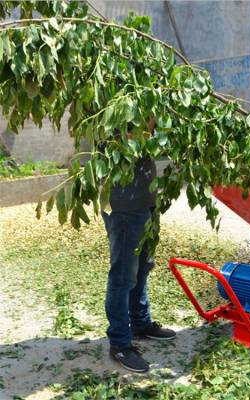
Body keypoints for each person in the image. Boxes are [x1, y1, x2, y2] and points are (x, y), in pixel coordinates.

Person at [102, 119, 176, 373]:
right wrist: (149, 125)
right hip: (123, 205)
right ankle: (120, 343)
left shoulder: (143, 94)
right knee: (123, 275)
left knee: (143, 266)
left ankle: (140, 323)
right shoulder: (111, 101)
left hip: (145, 200)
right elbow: (127, 143)